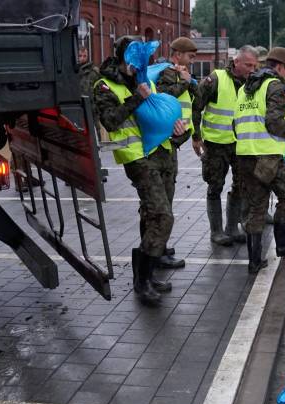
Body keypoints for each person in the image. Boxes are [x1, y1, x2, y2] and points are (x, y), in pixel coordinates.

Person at [93, 36, 186, 305]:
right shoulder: (104, 85)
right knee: (162, 216)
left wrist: (177, 131)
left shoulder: (146, 78)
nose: (138, 67)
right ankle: (141, 281)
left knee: (152, 215)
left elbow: (158, 115)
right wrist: (136, 97)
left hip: (163, 153)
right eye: (134, 62)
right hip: (138, 158)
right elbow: (110, 122)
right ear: (123, 59)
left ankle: (146, 273)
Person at [234, 47, 285, 273]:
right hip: (267, 157)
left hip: (244, 155)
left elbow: (235, 125)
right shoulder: (275, 86)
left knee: (256, 206)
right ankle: (284, 244)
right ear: (280, 67)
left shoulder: (246, 88)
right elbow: (274, 122)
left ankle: (254, 261)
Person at [192, 45, 260, 246]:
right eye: (248, 64)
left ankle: (232, 227)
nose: (252, 69)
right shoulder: (216, 78)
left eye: (255, 65)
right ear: (236, 61)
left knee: (240, 185)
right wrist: (196, 136)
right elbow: (196, 106)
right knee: (215, 186)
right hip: (215, 144)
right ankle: (216, 231)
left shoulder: (252, 83)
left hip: (241, 144)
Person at [150, 37, 199, 269]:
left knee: (167, 201)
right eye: (189, 56)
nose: (192, 61)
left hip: (172, 146)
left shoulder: (182, 75)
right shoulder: (167, 74)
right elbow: (164, 96)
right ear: (177, 54)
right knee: (159, 206)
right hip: (161, 147)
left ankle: (161, 246)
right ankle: (155, 251)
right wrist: (186, 82)